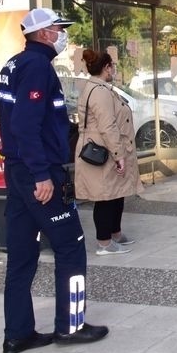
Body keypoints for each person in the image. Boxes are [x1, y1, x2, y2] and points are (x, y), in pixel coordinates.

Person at [0, 7, 108, 353]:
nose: (63, 34)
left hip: (17, 173)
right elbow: (25, 126)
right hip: (37, 173)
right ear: (43, 33)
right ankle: (71, 326)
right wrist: (42, 175)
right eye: (59, 28)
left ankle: (18, 334)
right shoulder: (37, 67)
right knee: (71, 245)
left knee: (22, 255)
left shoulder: (13, 64)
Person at [74, 49, 143, 256]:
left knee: (115, 194)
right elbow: (108, 126)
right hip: (103, 150)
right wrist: (118, 154)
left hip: (105, 147)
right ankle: (104, 243)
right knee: (104, 197)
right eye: (112, 66)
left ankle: (115, 234)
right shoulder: (100, 92)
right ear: (106, 67)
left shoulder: (98, 88)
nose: (114, 69)